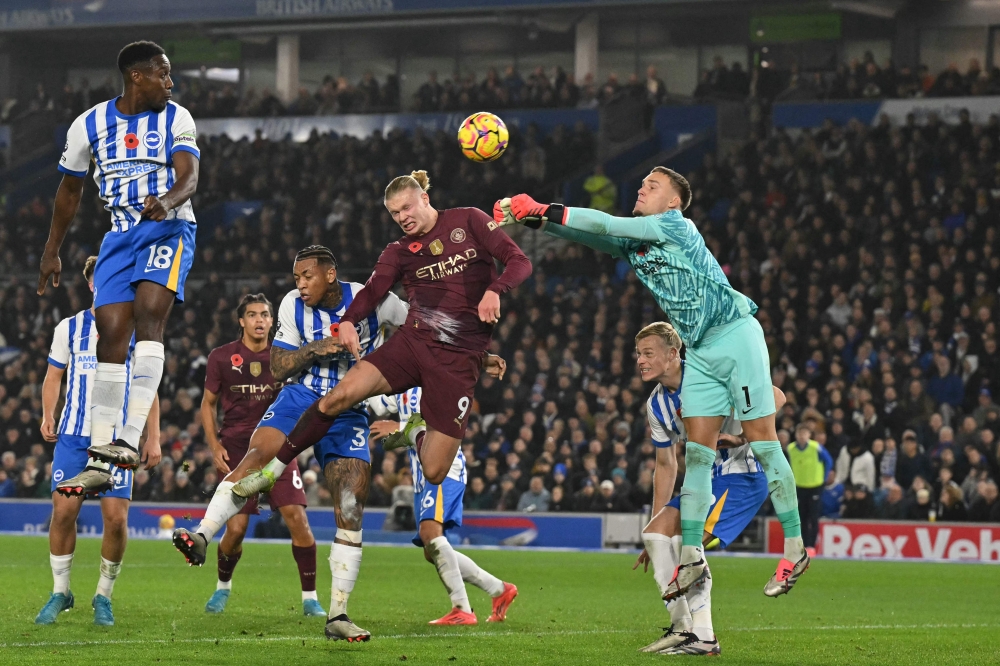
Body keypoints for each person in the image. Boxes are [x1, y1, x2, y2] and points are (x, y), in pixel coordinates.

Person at [496, 167, 807, 598]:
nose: (641, 188)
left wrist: (545, 207)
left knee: (763, 438)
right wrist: (537, 221)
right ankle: (692, 557)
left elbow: (605, 222)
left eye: (652, 186)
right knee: (697, 455)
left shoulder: (674, 225)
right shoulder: (638, 241)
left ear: (674, 201)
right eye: (641, 183)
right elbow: (595, 237)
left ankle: (795, 548)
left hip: (734, 333)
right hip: (699, 348)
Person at [235, 170, 531, 517]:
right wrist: (346, 321)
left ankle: (415, 431)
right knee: (338, 397)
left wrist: (495, 291)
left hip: (458, 358)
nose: (402, 218)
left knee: (434, 470)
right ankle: (272, 472)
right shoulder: (399, 251)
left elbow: (519, 261)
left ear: (425, 198)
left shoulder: (469, 220)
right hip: (412, 344)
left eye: (407, 208)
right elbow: (372, 292)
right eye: (394, 213)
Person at [172, 245, 408, 643]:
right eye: (296, 278)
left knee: (350, 505)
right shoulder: (290, 306)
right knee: (257, 455)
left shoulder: (376, 301)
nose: (299, 285)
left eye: (307, 277)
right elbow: (279, 366)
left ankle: (337, 615)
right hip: (299, 398)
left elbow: (422, 331)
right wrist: (317, 348)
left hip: (348, 407)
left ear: (330, 275)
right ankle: (202, 534)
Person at [37, 41, 199, 490]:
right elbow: (70, 191)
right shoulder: (88, 125)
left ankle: (127, 439)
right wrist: (52, 248)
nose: (170, 82)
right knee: (110, 334)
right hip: (120, 236)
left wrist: (165, 203)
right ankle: (100, 458)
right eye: (162, 74)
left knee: (149, 315)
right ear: (137, 77)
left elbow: (191, 176)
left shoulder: (176, 117)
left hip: (169, 229)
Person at [630, 321, 782, 655]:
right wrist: (658, 520)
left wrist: (744, 436)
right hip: (705, 481)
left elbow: (775, 395)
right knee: (655, 536)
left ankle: (701, 635)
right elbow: (667, 464)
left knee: (687, 543)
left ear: (672, 355)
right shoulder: (657, 404)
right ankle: (688, 630)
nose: (640, 360)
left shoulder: (710, 374)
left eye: (648, 353)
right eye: (638, 353)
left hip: (742, 477)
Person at [35, 256, 161, 627]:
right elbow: (53, 376)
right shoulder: (70, 328)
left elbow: (146, 386)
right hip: (74, 437)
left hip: (118, 441)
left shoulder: (136, 330)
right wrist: (48, 414)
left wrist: (152, 437)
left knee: (116, 520)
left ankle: (103, 596)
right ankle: (61, 592)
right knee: (63, 512)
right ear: (93, 284)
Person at [198, 293, 325, 618]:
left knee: (298, 520)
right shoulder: (222, 357)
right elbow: (207, 403)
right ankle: (222, 588)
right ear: (241, 321)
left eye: (265, 315)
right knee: (236, 530)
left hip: (281, 449)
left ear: (273, 321)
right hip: (239, 451)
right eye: (252, 314)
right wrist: (215, 446)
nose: (259, 320)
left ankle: (310, 598)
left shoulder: (284, 358)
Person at [368, 385, 517, 626]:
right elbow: (379, 403)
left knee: (430, 534)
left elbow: (444, 426)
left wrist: (399, 429)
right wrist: (356, 371)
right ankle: (500, 590)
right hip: (421, 477)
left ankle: (463, 609)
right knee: (431, 551)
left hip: (442, 468)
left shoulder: (435, 379)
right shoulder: (402, 384)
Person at [788, 423, 833, 553]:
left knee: (813, 517)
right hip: (799, 486)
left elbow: (828, 461)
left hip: (815, 486)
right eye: (799, 433)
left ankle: (811, 546)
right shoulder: (791, 448)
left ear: (809, 435)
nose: (802, 436)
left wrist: (823, 479)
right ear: (796, 435)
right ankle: (802, 545)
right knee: (801, 517)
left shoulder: (815, 447)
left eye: (804, 433)